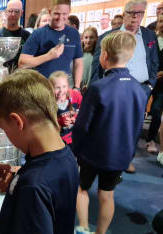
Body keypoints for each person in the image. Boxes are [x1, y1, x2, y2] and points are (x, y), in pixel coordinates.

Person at [73, 31, 147, 234]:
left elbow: (81, 126)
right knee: (107, 195)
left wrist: (74, 152)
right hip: (121, 154)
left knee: (81, 189)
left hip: (91, 154)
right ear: (131, 56)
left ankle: (84, 227)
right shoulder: (139, 90)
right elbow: (137, 127)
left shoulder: (98, 88)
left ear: (104, 55)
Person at [0, 69, 79, 234]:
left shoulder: (32, 187)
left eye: (4, 129)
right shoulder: (66, 156)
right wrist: (19, 175)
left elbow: (37, 185)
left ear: (16, 121)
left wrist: (24, 181)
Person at [90, 0, 159, 173]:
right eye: (132, 12)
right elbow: (96, 67)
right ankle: (104, 155)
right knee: (109, 124)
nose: (136, 16)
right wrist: (95, 89)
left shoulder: (150, 36)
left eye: (140, 13)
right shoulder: (108, 36)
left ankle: (127, 159)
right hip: (113, 89)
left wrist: (150, 86)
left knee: (134, 126)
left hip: (141, 89)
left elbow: (154, 63)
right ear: (125, 13)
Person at [19, 0, 84, 90]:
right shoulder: (38, 34)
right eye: (56, 13)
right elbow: (22, 63)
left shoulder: (74, 34)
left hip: (64, 92)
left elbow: (78, 62)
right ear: (50, 12)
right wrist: (49, 56)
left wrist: (77, 87)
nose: (60, 17)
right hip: (42, 90)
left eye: (64, 14)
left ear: (69, 12)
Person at [0, 0, 30, 72]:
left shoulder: (28, 37)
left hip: (21, 77)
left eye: (16, 11)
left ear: (21, 13)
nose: (13, 14)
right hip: (1, 77)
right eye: (10, 11)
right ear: (6, 12)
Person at [49, 71, 82, 146]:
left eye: (64, 86)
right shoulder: (50, 102)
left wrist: (75, 118)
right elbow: (48, 122)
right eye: (57, 88)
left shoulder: (74, 95)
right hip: (61, 141)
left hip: (77, 136)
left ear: (68, 85)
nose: (61, 91)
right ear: (51, 88)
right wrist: (60, 122)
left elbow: (84, 108)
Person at [146, 13, 163, 154]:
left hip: (162, 84)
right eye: (160, 21)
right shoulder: (151, 38)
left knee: (156, 110)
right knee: (139, 108)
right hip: (147, 79)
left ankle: (150, 139)